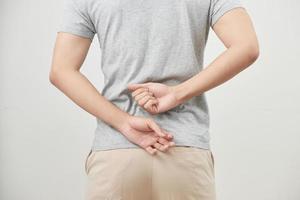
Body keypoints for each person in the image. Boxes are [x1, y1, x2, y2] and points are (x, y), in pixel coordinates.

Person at [49, 0, 259, 199]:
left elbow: (61, 70)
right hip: (183, 151)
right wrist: (177, 93)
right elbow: (246, 47)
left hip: (116, 154)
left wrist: (123, 122)